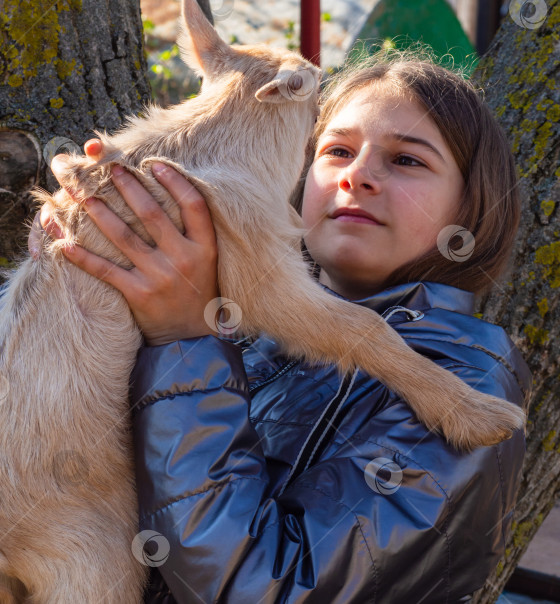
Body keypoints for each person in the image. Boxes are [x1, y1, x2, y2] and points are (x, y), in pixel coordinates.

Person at [31, 53, 532, 603]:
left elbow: (267, 588)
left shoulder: (464, 376)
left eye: (407, 160)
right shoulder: (246, 326)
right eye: (336, 151)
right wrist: (77, 265)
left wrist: (182, 338)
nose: (357, 175)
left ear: (473, 204)